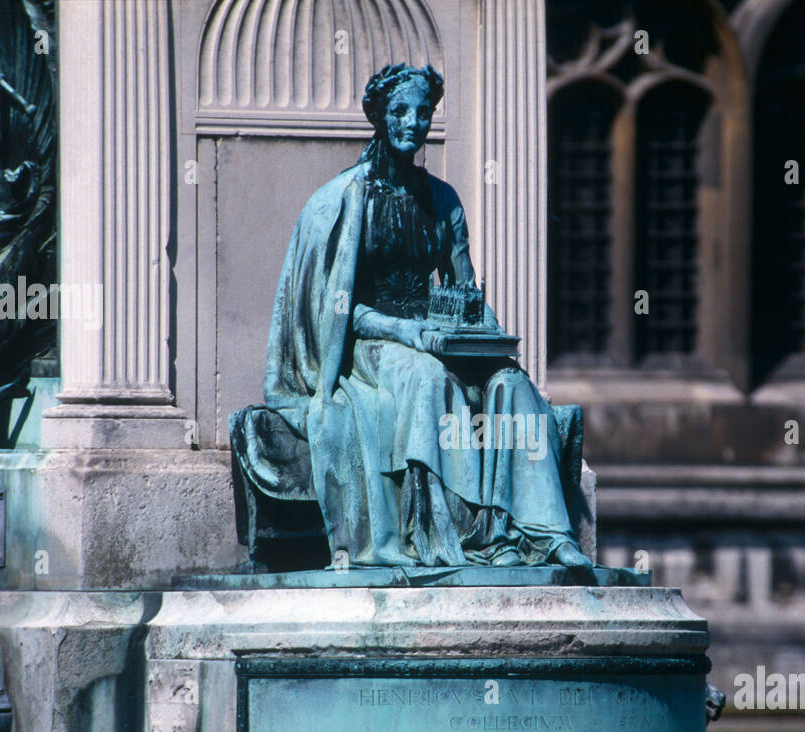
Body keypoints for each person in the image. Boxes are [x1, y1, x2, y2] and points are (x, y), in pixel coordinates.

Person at [247, 62, 589, 568]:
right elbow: (337, 307)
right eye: (400, 111)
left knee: (513, 388)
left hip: (434, 333)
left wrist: (489, 339)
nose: (413, 122)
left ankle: (542, 534)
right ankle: (439, 534)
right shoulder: (346, 199)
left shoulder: (443, 199)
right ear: (379, 117)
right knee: (427, 378)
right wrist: (404, 331)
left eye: (423, 112)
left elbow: (463, 289)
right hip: (371, 342)